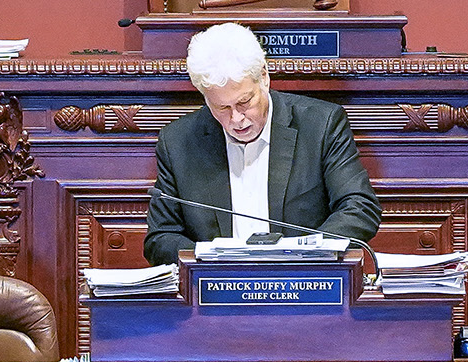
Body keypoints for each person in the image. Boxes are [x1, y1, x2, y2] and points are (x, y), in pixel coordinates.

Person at [143, 20, 382, 264]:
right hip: (217, 289)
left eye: (244, 102)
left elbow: (359, 208)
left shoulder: (320, 125)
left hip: (302, 284)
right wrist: (208, 262)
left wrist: (307, 255)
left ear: (264, 77)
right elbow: (161, 238)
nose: (236, 119)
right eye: (221, 107)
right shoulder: (178, 142)